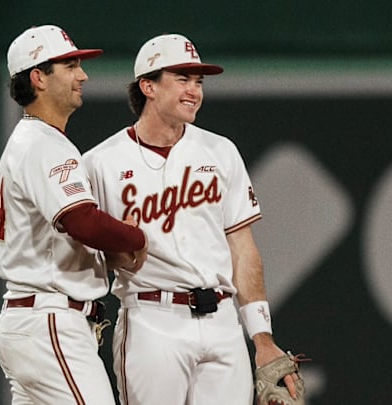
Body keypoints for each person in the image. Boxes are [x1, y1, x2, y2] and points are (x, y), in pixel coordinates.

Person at [82, 33, 300, 404]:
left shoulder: (220, 151)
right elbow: (86, 254)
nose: (194, 91)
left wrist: (262, 339)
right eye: (182, 78)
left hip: (222, 321)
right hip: (152, 319)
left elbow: (243, 249)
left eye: (198, 82)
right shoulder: (100, 163)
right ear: (148, 86)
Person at [0, 24, 147, 405]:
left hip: (31, 319)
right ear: (38, 78)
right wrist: (136, 237)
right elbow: (82, 222)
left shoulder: (28, 141)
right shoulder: (43, 144)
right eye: (71, 66)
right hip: (49, 321)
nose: (83, 75)